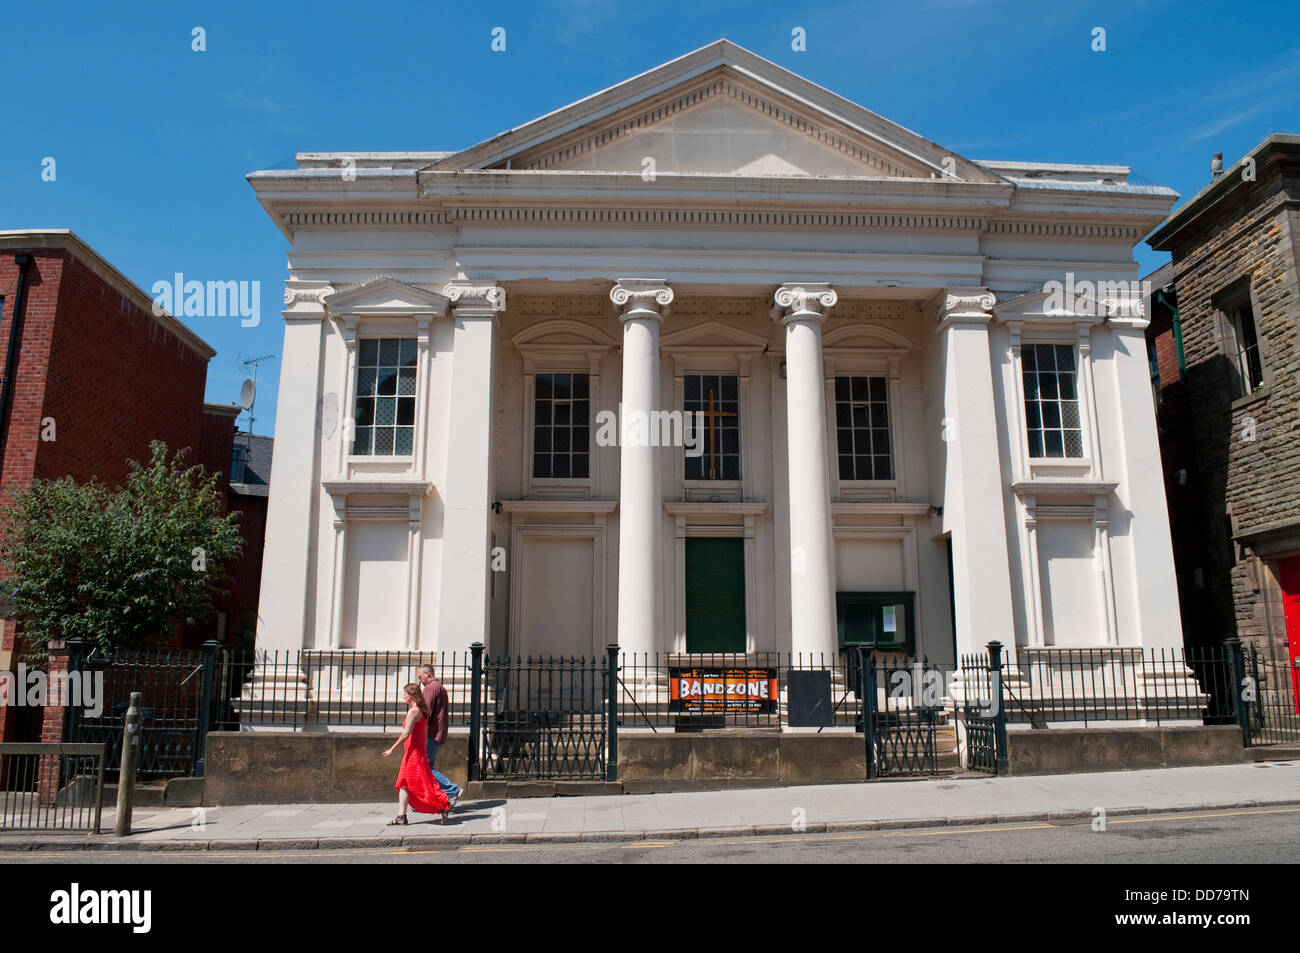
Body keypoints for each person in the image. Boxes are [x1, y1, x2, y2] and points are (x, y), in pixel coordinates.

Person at [382, 682, 450, 825]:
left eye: (405, 694)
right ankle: (401, 816)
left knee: (423, 783)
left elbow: (406, 734)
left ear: (411, 695)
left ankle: (443, 804)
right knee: (404, 783)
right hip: (414, 752)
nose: (403, 696)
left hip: (414, 754)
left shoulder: (414, 711)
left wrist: (392, 749)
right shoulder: (422, 710)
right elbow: (423, 734)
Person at [418, 664, 464, 807]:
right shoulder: (440, 687)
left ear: (428, 674)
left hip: (431, 733)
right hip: (438, 732)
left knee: (426, 767)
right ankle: (435, 798)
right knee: (427, 766)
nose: (420, 680)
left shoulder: (431, 688)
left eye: (420, 677)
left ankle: (452, 790)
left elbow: (426, 711)